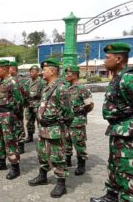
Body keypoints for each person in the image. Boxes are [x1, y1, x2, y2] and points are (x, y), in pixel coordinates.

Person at [91, 42, 133, 202]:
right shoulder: (118, 77)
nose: (103, 61)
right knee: (115, 167)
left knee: (127, 174)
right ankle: (111, 197)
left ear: (118, 58)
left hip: (128, 135)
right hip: (118, 131)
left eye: (107, 58)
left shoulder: (128, 78)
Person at [28, 58, 73, 198]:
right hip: (43, 128)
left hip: (55, 129)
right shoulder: (48, 86)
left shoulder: (61, 87)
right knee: (41, 153)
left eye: (44, 70)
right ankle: (42, 176)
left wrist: (59, 124)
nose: (42, 73)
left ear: (53, 71)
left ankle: (61, 183)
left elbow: (68, 112)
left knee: (57, 156)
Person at [0, 59, 23, 180]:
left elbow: (19, 101)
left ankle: (15, 167)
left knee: (10, 142)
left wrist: (15, 116)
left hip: (8, 116)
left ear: (4, 69)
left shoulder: (12, 82)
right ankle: (1, 162)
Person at [64, 65, 94, 176]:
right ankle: (67, 160)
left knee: (79, 142)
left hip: (77, 120)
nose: (66, 75)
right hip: (66, 120)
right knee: (66, 141)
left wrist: (80, 113)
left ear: (75, 74)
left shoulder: (82, 88)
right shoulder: (66, 87)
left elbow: (90, 105)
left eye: (68, 73)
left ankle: (81, 164)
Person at [24, 65, 46, 143]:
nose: (31, 73)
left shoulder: (42, 82)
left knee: (39, 121)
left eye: (32, 72)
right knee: (29, 121)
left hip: (37, 104)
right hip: (29, 105)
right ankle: (30, 136)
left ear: (37, 72)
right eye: (30, 72)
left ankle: (42, 136)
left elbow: (44, 95)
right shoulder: (28, 82)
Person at [9, 61, 26, 154]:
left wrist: (19, 107)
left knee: (19, 126)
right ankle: (13, 143)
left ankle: (20, 144)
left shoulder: (20, 80)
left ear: (13, 69)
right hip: (10, 108)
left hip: (18, 107)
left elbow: (25, 93)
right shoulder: (8, 79)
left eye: (9, 68)